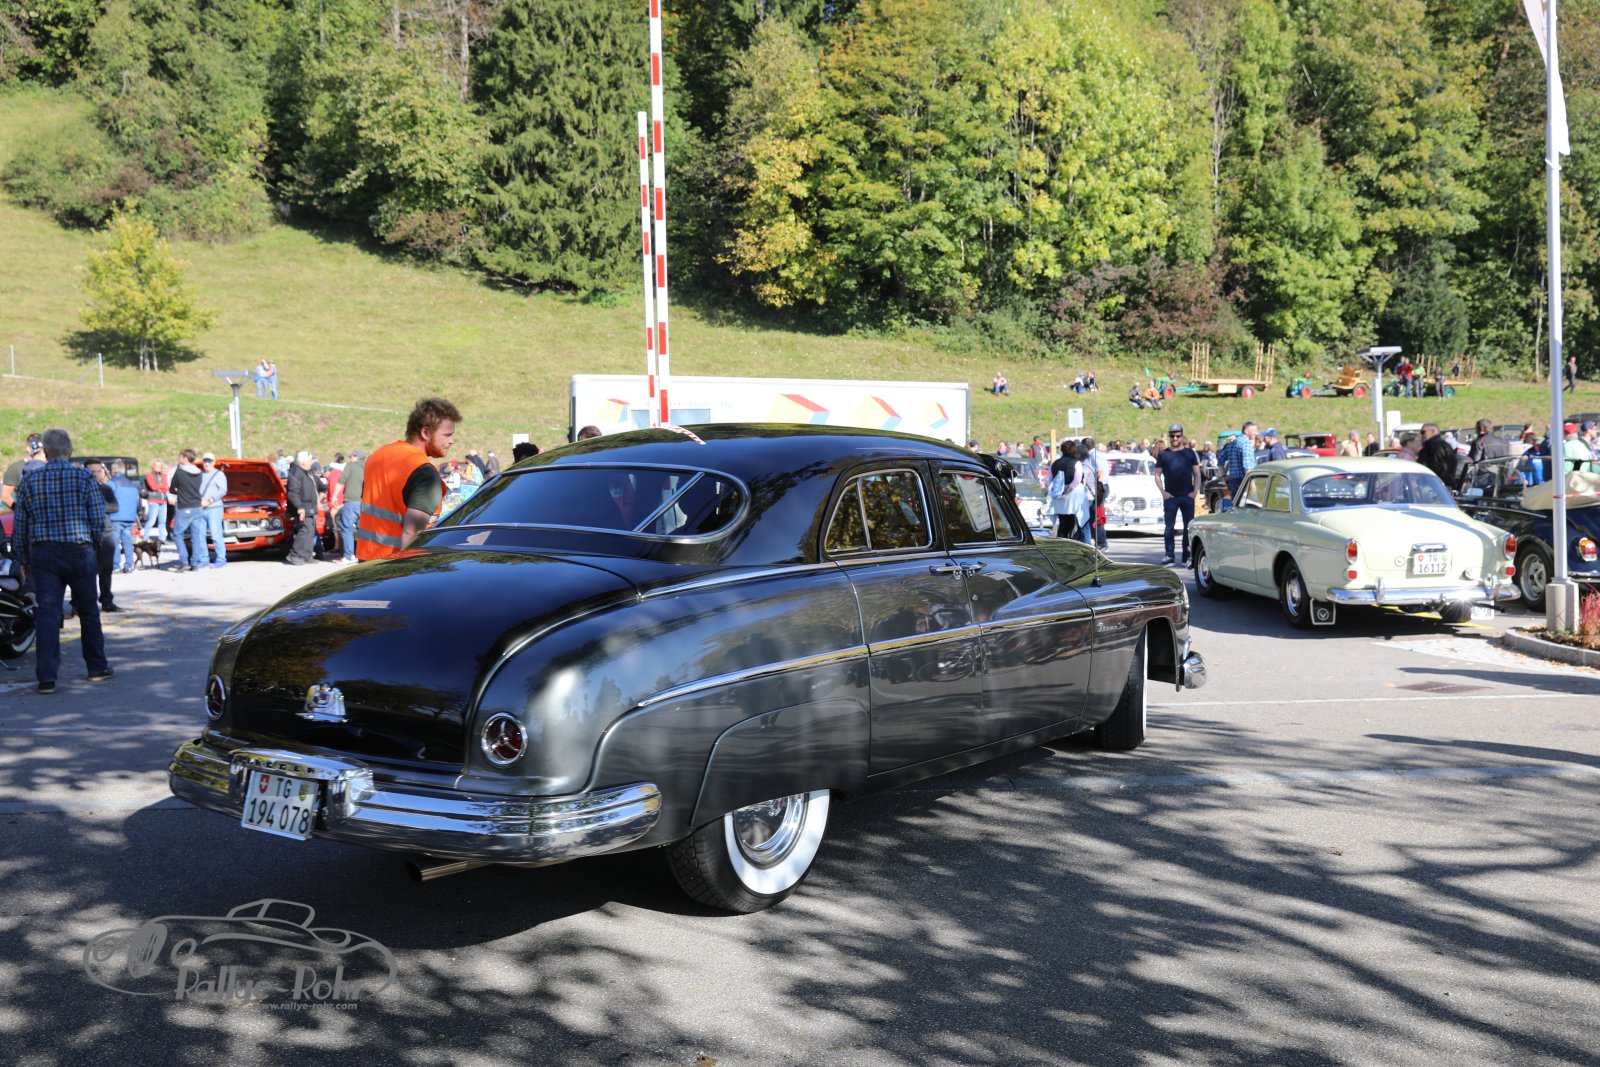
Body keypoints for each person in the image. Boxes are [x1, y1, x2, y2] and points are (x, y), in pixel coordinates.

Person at [12, 429, 114, 693]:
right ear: (69, 450)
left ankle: (47, 678)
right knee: (88, 610)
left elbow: (21, 524)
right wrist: (92, 545)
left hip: (44, 553)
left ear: (45, 451)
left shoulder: (31, 479)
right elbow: (97, 518)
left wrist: (23, 558)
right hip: (79, 551)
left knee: (47, 614)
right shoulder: (84, 477)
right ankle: (96, 667)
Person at [357, 397, 461, 560]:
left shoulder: (377, 456)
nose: (451, 441)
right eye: (447, 435)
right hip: (394, 565)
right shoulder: (424, 472)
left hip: (366, 561)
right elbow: (411, 533)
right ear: (425, 432)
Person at [1155, 425, 1201, 566]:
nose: (1175, 438)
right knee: (1169, 527)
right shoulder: (1164, 454)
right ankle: (1169, 555)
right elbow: (1157, 475)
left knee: (1189, 528)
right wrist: (1163, 492)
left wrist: (1195, 492)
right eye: (1172, 436)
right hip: (1171, 497)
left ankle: (1187, 557)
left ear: (1182, 436)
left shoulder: (1189, 453)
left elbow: (1197, 474)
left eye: (1178, 435)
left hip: (1187, 496)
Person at [83, 461, 121, 612]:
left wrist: (96, 506)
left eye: (99, 471)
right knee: (85, 571)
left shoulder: (105, 488)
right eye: (92, 472)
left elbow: (115, 506)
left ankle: (107, 601)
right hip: (86, 535)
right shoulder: (80, 489)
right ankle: (81, 603)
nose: (96, 474)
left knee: (106, 569)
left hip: (106, 533)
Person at [169, 450, 205, 571]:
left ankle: (184, 561)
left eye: (180, 457)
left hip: (185, 507)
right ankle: (194, 563)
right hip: (198, 507)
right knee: (196, 536)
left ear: (185, 458)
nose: (178, 459)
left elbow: (171, 488)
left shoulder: (179, 472)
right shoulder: (199, 472)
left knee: (177, 534)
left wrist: (179, 492)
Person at [284, 451, 320, 565]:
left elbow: (317, 485)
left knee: (310, 531)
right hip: (303, 507)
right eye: (309, 460)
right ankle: (295, 555)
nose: (311, 462)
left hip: (310, 506)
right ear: (303, 462)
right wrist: (299, 506)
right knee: (304, 531)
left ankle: (307, 555)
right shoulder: (296, 472)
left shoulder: (307, 473)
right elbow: (293, 492)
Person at [107, 462, 140, 573]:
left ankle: (116, 565)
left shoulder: (111, 483)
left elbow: (106, 498)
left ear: (113, 471)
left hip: (116, 516)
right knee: (127, 541)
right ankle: (129, 564)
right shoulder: (132, 484)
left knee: (115, 542)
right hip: (130, 517)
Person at [198, 453, 229, 567]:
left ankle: (221, 558)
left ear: (214, 462)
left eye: (209, 461)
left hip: (214, 508)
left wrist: (209, 500)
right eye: (205, 461)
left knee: (216, 534)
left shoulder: (219, 474)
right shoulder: (200, 475)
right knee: (199, 535)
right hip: (201, 508)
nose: (207, 463)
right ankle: (204, 559)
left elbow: (222, 490)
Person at [2, 432, 47, 509]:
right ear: (27, 447)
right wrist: (20, 512)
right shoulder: (15, 468)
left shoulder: (49, 465)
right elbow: (5, 497)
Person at [337, 450, 364, 563]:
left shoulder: (351, 466)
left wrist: (334, 496)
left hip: (351, 502)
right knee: (363, 529)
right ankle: (363, 554)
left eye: (352, 456)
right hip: (365, 503)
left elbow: (341, 481)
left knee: (346, 528)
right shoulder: (368, 467)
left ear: (357, 457)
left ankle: (349, 556)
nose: (350, 458)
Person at [1219, 422, 1259, 498]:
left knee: (1236, 503)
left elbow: (1220, 460)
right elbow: (1247, 465)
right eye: (1254, 431)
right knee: (1252, 503)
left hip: (1233, 481)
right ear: (1246, 431)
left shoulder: (1231, 444)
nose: (1256, 433)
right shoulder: (1246, 443)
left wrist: (1223, 476)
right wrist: (1252, 484)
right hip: (1245, 481)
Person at [1417, 423, 1463, 488]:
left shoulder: (1436, 446)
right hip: (1440, 483)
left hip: (1436, 485)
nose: (1421, 435)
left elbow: (1438, 467)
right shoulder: (1439, 444)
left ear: (1432, 431)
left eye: (1423, 432)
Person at [142, 460, 171, 543]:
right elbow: (153, 487)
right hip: (153, 500)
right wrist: (161, 487)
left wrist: (160, 488)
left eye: (160, 466)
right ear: (153, 466)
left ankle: (162, 538)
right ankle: (145, 537)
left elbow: (167, 487)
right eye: (157, 466)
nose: (159, 467)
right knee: (152, 520)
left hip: (163, 501)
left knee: (162, 521)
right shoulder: (149, 475)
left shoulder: (163, 476)